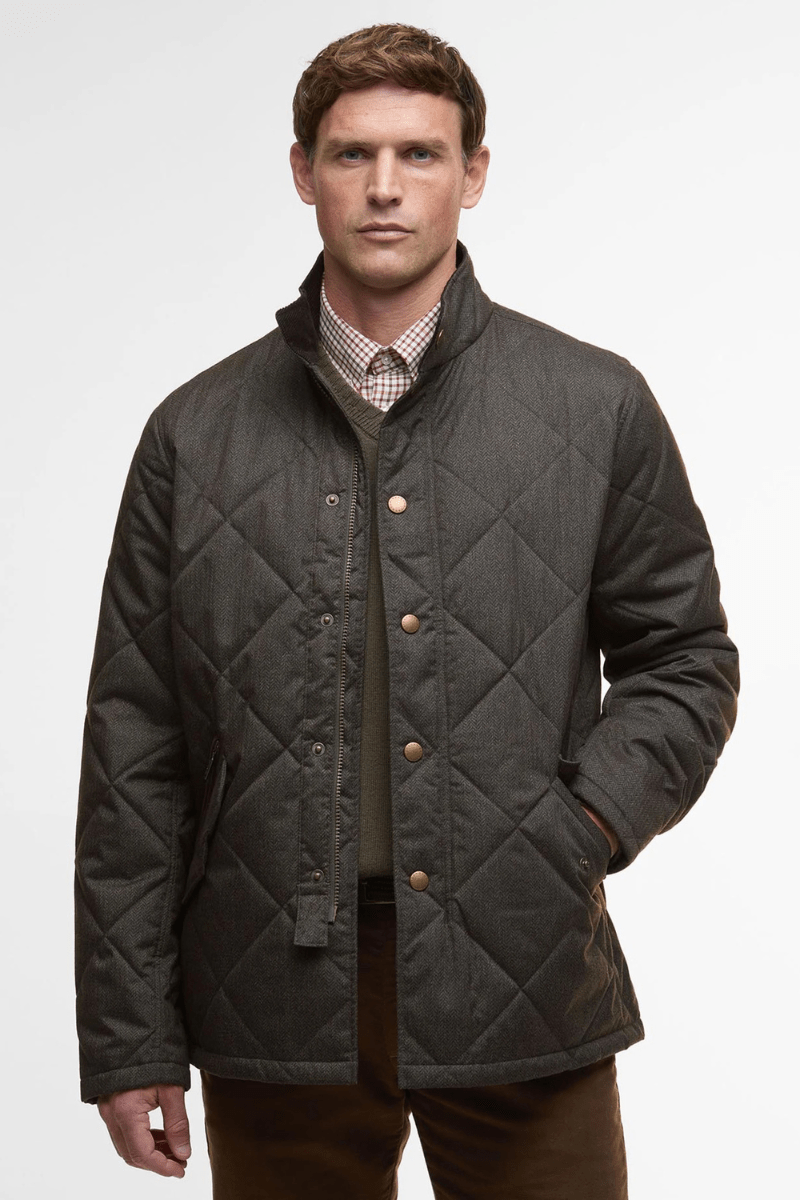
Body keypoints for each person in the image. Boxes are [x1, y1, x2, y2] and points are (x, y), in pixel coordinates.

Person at [73, 22, 740, 1200]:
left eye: (419, 154)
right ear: (302, 172)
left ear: (471, 173)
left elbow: (682, 656)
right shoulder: (195, 434)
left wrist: (578, 826)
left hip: (523, 973)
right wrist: (130, 1040)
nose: (383, 186)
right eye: (351, 154)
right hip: (270, 992)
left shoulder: (591, 406)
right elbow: (136, 745)